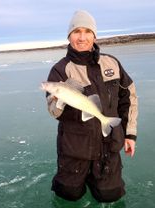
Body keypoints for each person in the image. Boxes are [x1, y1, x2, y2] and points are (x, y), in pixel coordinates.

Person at [45, 10, 138, 203]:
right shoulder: (60, 70)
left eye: (87, 31)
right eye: (76, 31)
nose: (82, 37)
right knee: (67, 197)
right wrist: (59, 97)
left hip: (108, 148)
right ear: (69, 36)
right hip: (74, 150)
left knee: (110, 196)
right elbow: (54, 112)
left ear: (94, 35)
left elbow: (128, 98)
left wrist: (129, 134)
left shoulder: (111, 63)